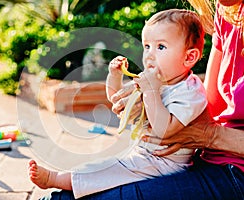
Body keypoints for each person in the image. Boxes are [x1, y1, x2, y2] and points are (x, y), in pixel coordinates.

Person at [37, 0, 244, 199]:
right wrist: (115, 77)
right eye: (147, 47)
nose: (149, 56)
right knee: (102, 173)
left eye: (160, 47)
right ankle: (61, 181)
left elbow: (165, 129)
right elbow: (116, 99)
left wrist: (151, 94)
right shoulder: (161, 81)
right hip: (154, 157)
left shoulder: (189, 92)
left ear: (189, 57)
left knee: (105, 173)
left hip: (163, 164)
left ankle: (56, 178)